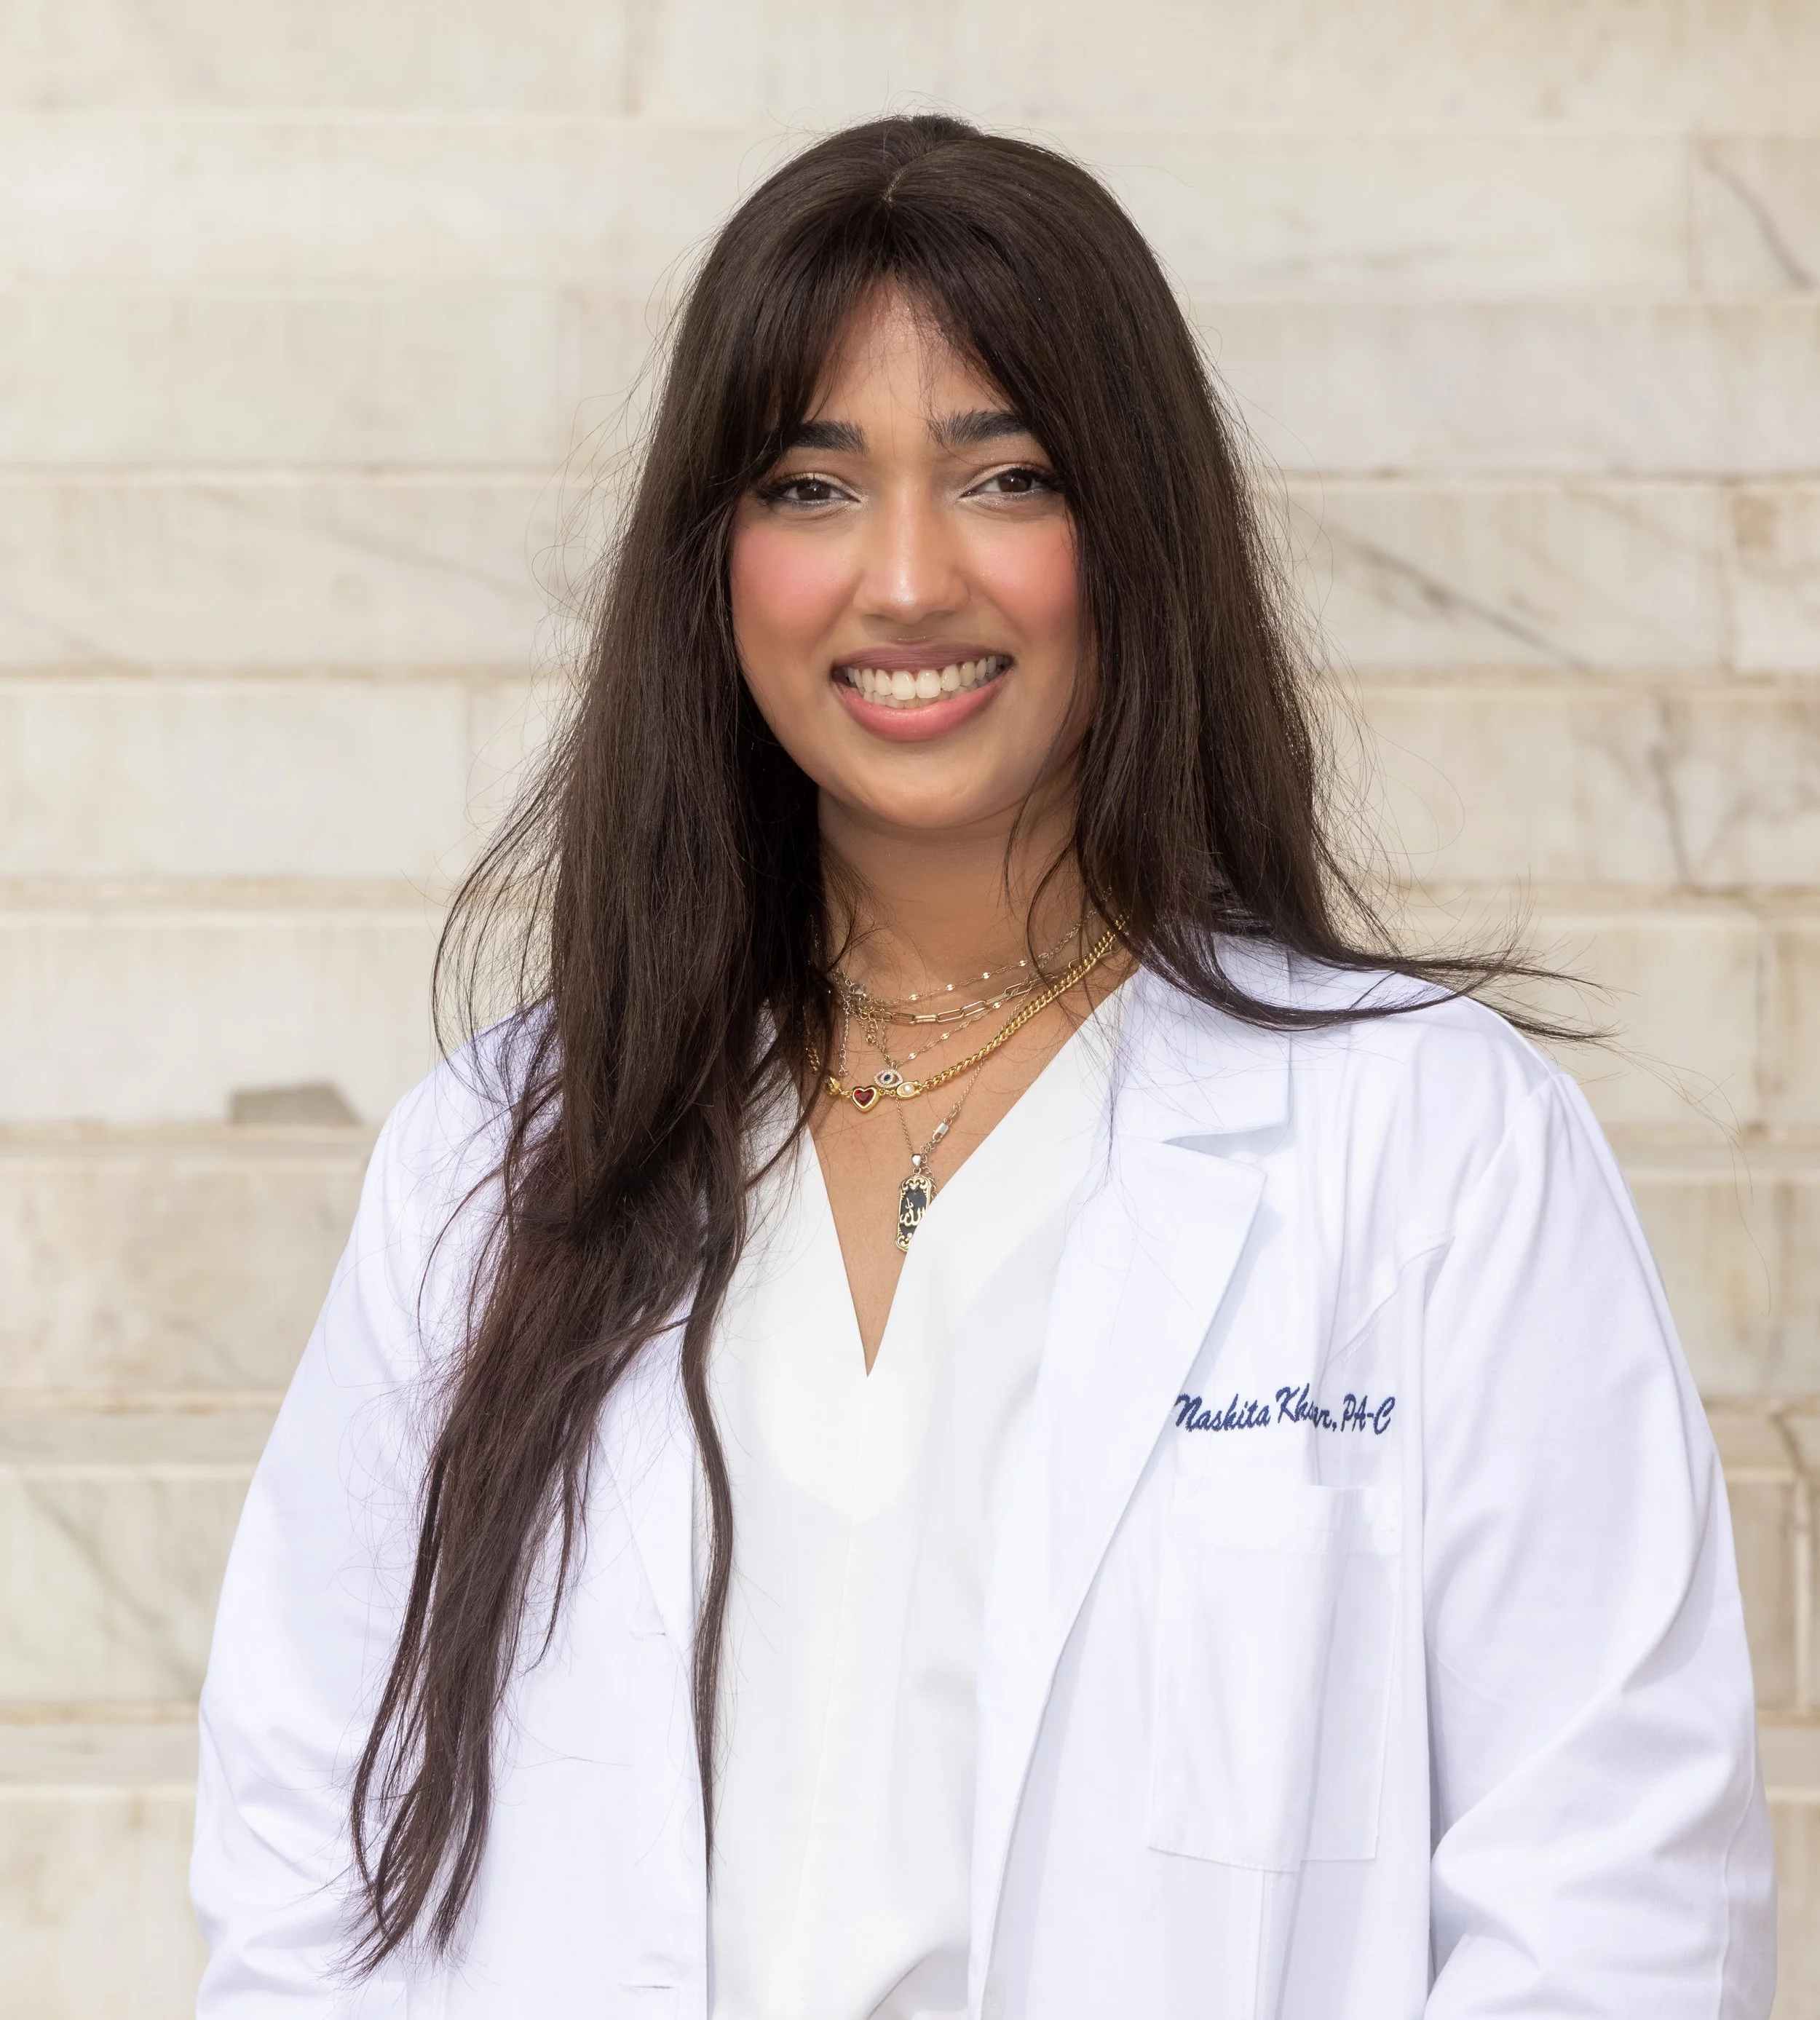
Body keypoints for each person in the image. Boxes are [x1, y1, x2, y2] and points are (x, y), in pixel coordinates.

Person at [189, 116, 1775, 2019]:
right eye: (811, 486)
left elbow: (1612, 1905)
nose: (907, 579)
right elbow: (308, 1862)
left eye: (1004, 476)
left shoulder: (1431, 1145)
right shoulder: (494, 1162)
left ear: (1133, 538)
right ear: (715, 564)